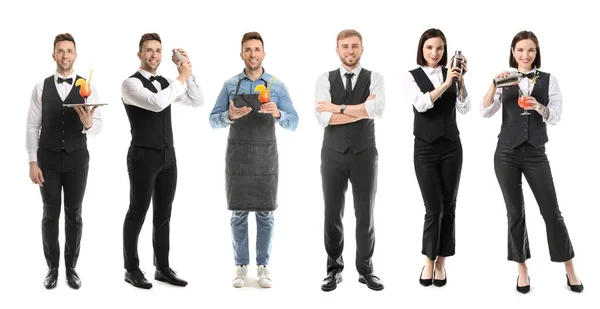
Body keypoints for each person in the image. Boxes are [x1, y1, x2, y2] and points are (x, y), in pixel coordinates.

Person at [481, 30, 583, 293]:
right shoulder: (506, 80)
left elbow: (556, 116)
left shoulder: (548, 80)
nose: (525, 55)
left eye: (531, 50)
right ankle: (522, 269)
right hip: (506, 153)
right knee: (515, 213)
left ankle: (569, 267)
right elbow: (485, 111)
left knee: (551, 211)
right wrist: (494, 83)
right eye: (520, 50)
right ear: (513, 52)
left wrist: (538, 106)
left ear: (537, 53)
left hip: (536, 153)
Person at [209, 31, 299, 289]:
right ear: (241, 54)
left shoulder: (276, 86)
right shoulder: (230, 85)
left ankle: (263, 266)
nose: (252, 54)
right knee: (238, 213)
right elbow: (212, 120)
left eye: (256, 49)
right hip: (238, 156)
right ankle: (240, 265)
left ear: (263, 53)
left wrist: (279, 113)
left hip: (265, 157)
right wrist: (229, 115)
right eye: (248, 50)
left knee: (266, 214)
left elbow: (294, 122)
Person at [121, 32, 204, 289]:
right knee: (138, 211)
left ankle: (162, 267)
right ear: (140, 54)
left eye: (158, 50)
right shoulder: (130, 84)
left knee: (164, 214)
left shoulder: (167, 82)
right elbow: (157, 104)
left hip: (169, 157)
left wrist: (188, 72)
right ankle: (132, 269)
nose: (154, 55)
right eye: (149, 50)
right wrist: (180, 78)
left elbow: (197, 100)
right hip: (143, 156)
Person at [26, 33, 103, 290]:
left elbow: (98, 124)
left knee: (74, 214)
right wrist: (32, 161)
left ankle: (71, 268)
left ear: (75, 55)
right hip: (46, 160)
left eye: (69, 51)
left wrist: (89, 124)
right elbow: (32, 126)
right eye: (61, 51)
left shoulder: (87, 86)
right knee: (50, 214)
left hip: (77, 160)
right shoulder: (41, 86)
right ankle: (52, 268)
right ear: (54, 55)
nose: (65, 55)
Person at [315, 29, 385, 292]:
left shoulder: (375, 78)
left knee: (365, 213)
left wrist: (338, 108)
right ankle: (333, 269)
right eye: (345, 47)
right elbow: (323, 117)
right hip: (332, 153)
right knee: (332, 213)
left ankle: (366, 269)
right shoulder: (324, 78)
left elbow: (377, 109)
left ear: (362, 49)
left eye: (355, 46)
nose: (350, 51)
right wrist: (360, 110)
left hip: (365, 154)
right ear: (337, 50)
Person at [402, 28, 470, 288]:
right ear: (422, 49)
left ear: (445, 51)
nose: (434, 53)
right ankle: (428, 260)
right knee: (434, 208)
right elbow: (421, 104)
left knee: (449, 206)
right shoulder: (410, 77)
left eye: (440, 48)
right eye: (429, 47)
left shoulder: (453, 75)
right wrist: (445, 83)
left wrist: (460, 81)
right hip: (425, 149)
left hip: (452, 147)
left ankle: (441, 262)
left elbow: (464, 107)